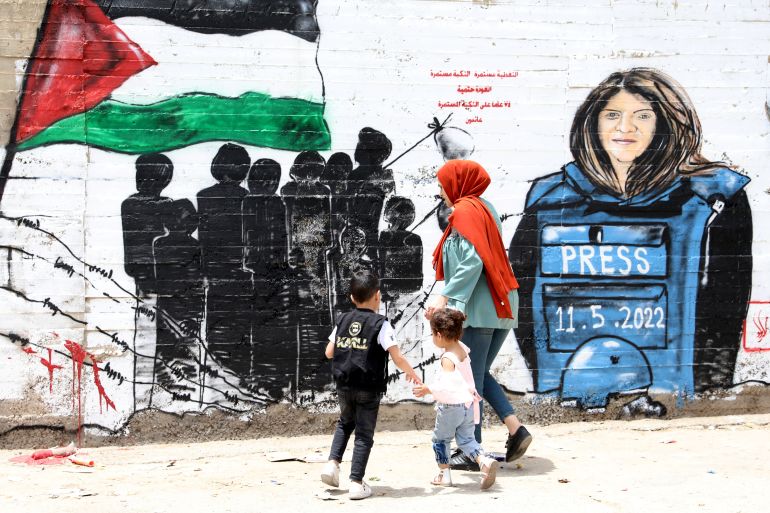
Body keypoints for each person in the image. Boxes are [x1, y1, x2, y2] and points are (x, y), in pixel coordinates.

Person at [509, 68, 752, 407]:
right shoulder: (551, 196)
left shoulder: (710, 197)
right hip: (566, 393)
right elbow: (518, 289)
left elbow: (723, 310)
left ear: (665, 124)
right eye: (612, 115)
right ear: (592, 123)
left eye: (642, 115)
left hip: (672, 396)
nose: (625, 128)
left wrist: (707, 392)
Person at [426, 159, 532, 471]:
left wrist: (444, 297)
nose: (441, 191)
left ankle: (473, 451)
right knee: (479, 374)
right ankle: (516, 429)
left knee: (468, 377)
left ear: (456, 183)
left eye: (443, 184)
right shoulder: (483, 207)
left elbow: (472, 262)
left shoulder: (466, 211)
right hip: (499, 301)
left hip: (482, 304)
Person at [321, 270, 421, 500]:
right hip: (369, 388)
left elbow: (328, 352)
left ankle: (332, 464)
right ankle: (356, 482)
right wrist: (412, 373)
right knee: (364, 434)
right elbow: (396, 356)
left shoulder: (343, 320)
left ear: (351, 298)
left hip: (344, 386)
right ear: (377, 296)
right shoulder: (381, 324)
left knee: (345, 423)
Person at [413, 308, 499, 489]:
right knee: (467, 440)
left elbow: (447, 384)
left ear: (438, 334)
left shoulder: (447, 358)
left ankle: (444, 475)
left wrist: (428, 389)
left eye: (432, 334)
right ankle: (483, 461)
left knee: (440, 440)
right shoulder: (462, 349)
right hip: (468, 404)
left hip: (452, 406)